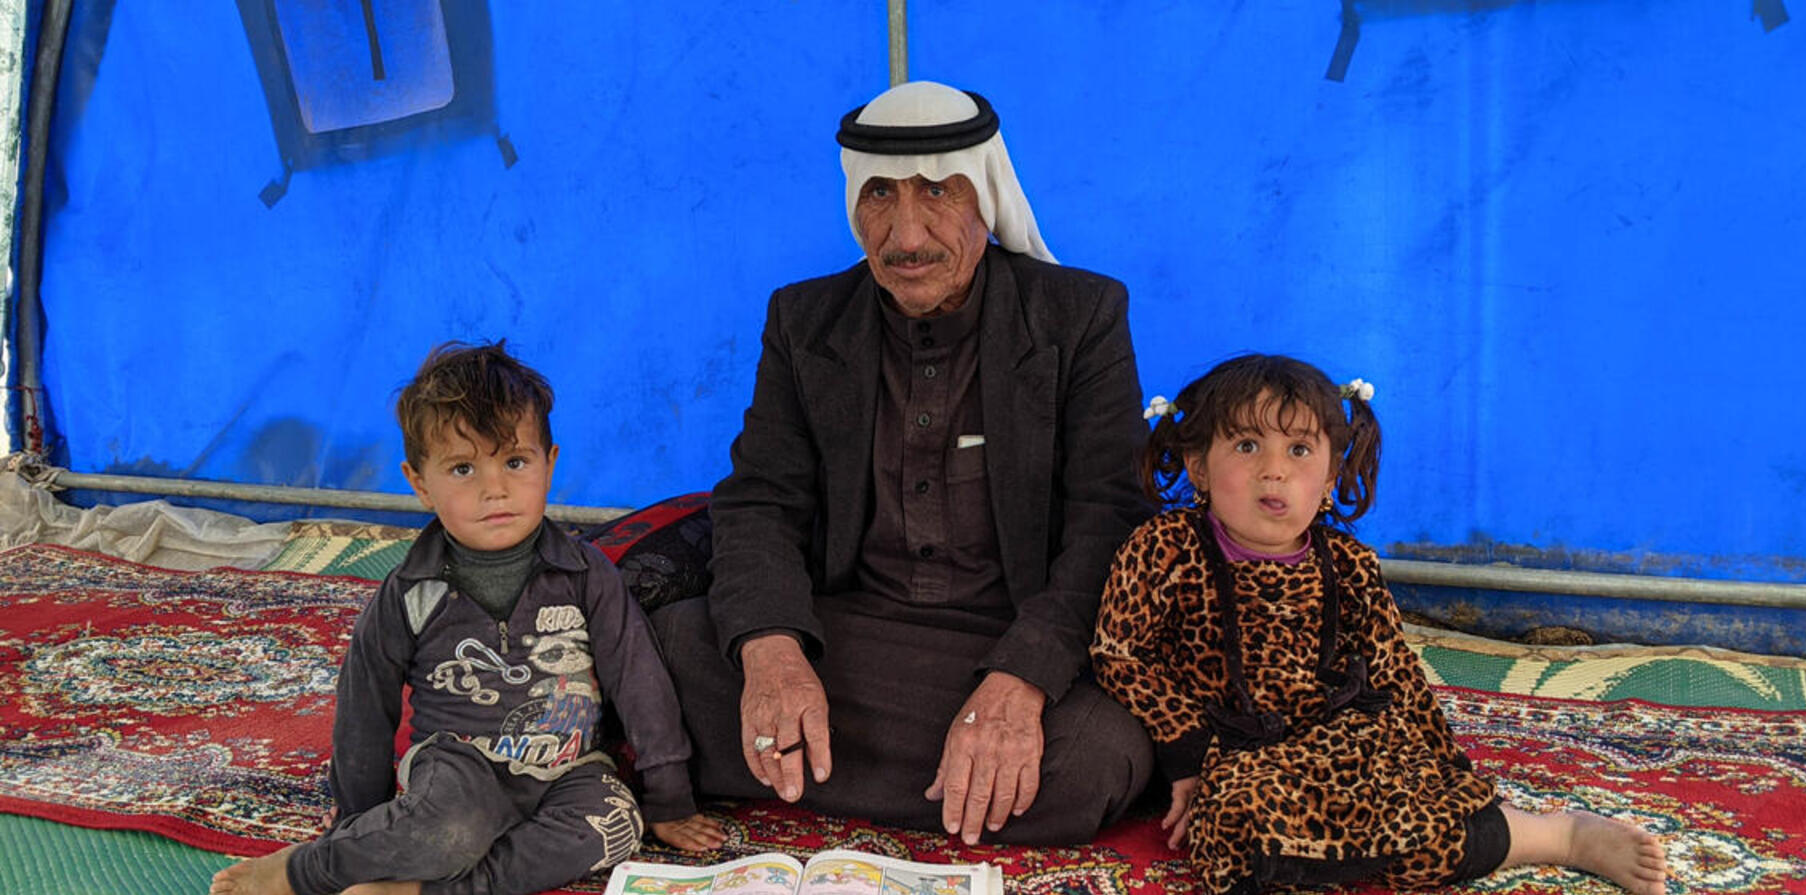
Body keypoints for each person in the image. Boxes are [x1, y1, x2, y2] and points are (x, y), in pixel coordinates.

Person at [652, 80, 1154, 845]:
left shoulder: (1079, 316)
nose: (907, 235)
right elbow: (760, 500)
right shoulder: (804, 319)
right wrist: (774, 652)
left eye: (938, 191)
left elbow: (1110, 517)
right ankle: (955, 781)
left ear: (986, 195)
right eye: (880, 194)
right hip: (847, 633)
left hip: (1012, 638)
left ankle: (806, 766)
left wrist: (1020, 681)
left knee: (1096, 754)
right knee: (667, 647)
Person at [1091, 354, 1668, 895]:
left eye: (1299, 450)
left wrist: (1444, 772)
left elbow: (1397, 675)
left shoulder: (1349, 565)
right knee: (1235, 836)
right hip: (1232, 749)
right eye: (1247, 445)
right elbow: (1119, 652)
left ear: (1330, 476)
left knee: (1426, 831)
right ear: (1199, 467)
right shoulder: (1165, 547)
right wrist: (1189, 752)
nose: (1274, 471)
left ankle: (1559, 835)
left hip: (1337, 738)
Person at [212, 341, 724, 895]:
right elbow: (365, 707)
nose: (494, 489)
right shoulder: (410, 591)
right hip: (459, 769)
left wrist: (669, 797)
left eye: (515, 462)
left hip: (570, 769)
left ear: (550, 464)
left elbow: (639, 681)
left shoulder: (585, 574)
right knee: (449, 832)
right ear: (419, 483)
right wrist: (360, 824)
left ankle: (422, 892)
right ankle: (306, 870)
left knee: (618, 826)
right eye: (462, 468)